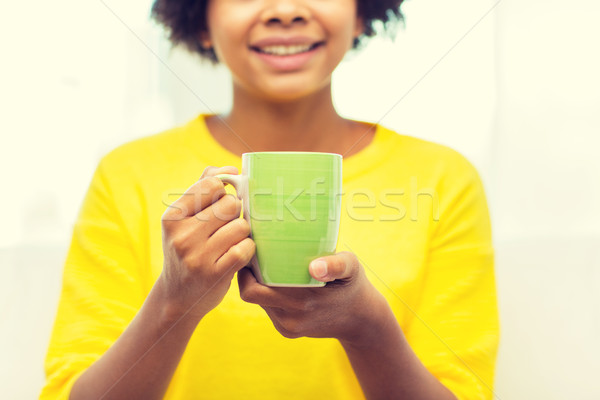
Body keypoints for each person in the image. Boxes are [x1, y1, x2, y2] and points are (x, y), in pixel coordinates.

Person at [41, 0, 500, 399]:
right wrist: (173, 304)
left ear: (362, 11)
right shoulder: (126, 175)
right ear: (200, 17)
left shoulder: (442, 180)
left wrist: (369, 330)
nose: (286, 10)